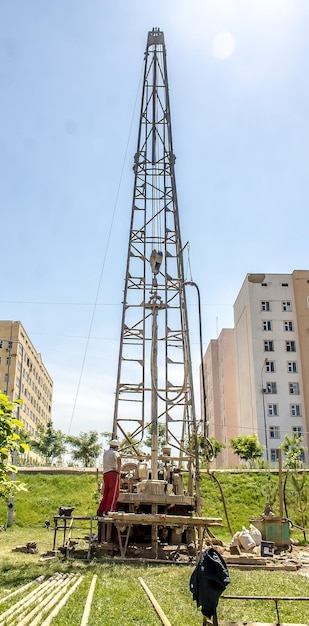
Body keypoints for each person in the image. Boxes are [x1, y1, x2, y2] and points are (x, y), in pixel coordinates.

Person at [97, 439, 121, 516]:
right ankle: (109, 510)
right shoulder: (115, 452)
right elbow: (119, 458)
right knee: (113, 493)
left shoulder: (105, 453)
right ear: (116, 447)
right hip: (113, 474)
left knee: (106, 493)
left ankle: (101, 510)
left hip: (105, 474)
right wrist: (118, 470)